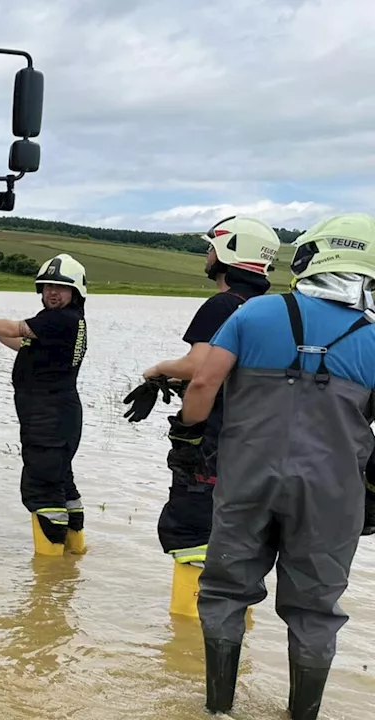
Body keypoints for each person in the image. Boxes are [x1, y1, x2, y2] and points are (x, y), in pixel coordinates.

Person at [172, 212, 375, 719]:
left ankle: (218, 708)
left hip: (246, 480)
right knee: (315, 610)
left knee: (224, 591)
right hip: (332, 494)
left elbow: (202, 384)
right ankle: (302, 714)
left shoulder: (254, 314)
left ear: (308, 258)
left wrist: (188, 437)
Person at [123, 215, 281, 617]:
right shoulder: (271, 309)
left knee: (192, 532)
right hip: (257, 446)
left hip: (212, 442)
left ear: (228, 254)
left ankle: (187, 645)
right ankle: (235, 635)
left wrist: (158, 369)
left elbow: (199, 368)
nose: (206, 254)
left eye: (211, 247)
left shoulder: (222, 305)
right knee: (239, 542)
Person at [0, 254, 89, 556]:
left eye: (61, 288)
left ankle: (48, 569)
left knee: (42, 488)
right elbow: (20, 343)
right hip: (61, 413)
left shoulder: (59, 319)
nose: (53, 292)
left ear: (76, 292)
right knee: (62, 482)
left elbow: (16, 329)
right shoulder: (66, 322)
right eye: (48, 286)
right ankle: (74, 557)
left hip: (48, 416)